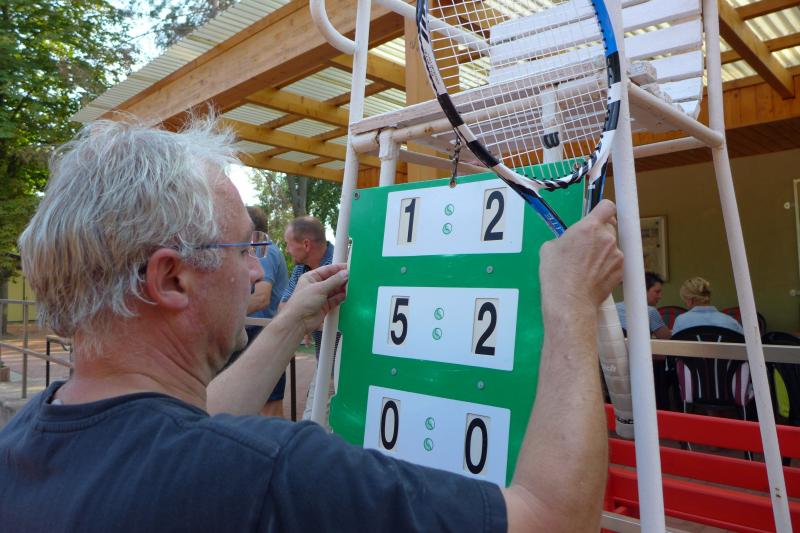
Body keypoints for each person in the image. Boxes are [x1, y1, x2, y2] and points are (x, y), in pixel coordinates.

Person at [0, 117, 623, 532]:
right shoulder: (274, 471)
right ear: (172, 279)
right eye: (242, 248)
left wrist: (290, 319)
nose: (255, 270)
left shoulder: (28, 436)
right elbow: (552, 519)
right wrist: (570, 306)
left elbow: (189, 423)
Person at [230, 206, 289, 417]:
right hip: (255, 333)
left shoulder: (262, 249)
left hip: (260, 333)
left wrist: (222, 310)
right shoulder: (260, 249)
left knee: (268, 407)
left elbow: (262, 297)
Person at [280, 215, 337, 421]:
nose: (287, 250)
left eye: (288, 244)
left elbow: (340, 319)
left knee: (313, 423)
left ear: (306, 244)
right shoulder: (300, 269)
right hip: (326, 365)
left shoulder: (342, 262)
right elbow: (284, 308)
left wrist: (303, 317)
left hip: (344, 366)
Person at [672, 276, 743, 335]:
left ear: (691, 300)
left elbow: (675, 347)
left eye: (684, 300)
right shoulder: (730, 321)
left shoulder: (680, 321)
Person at [614, 271, 671, 339]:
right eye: (657, 292)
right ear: (642, 290)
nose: (660, 296)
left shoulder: (614, 308)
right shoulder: (650, 311)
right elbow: (668, 339)